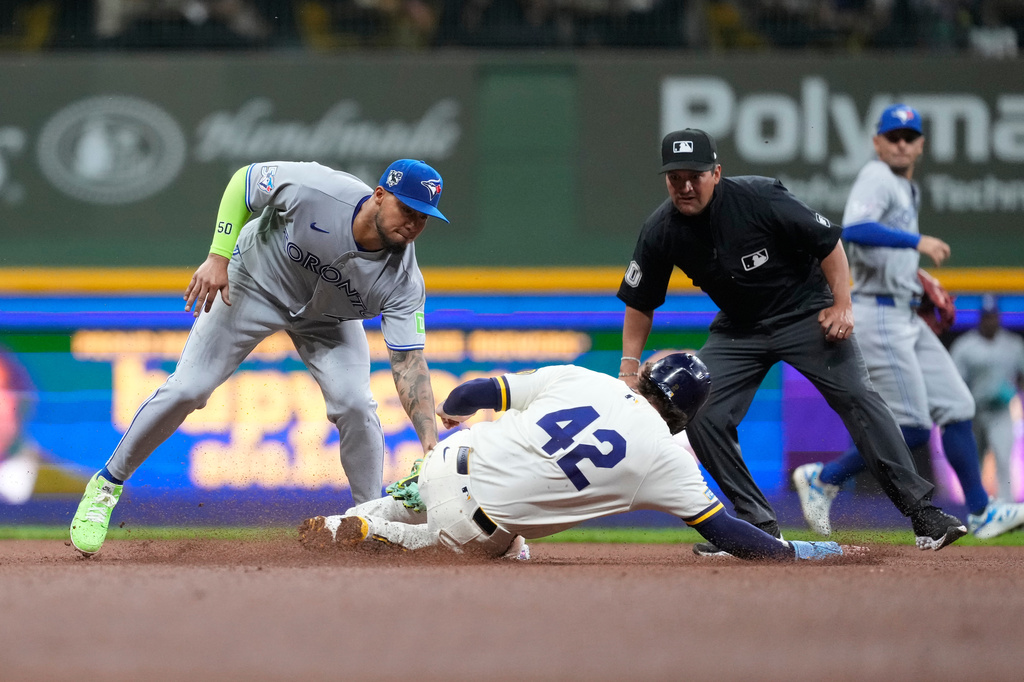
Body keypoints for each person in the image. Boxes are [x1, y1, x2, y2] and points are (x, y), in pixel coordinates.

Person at [70, 158, 448, 556]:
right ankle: (107, 485)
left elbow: (409, 363)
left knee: (356, 403)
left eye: (423, 217)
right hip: (253, 284)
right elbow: (244, 182)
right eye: (407, 209)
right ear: (379, 194)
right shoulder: (317, 189)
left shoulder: (405, 281)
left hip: (327, 319)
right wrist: (218, 255)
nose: (413, 224)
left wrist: (429, 446)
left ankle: (369, 521)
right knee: (189, 388)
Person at [617, 128, 967, 556]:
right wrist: (628, 367)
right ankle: (756, 526)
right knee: (700, 413)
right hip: (739, 327)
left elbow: (829, 243)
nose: (685, 186)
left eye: (695, 175)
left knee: (859, 397)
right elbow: (640, 301)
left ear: (717, 172)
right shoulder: (661, 228)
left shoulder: (759, 197)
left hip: (805, 312)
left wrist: (842, 304)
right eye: (675, 178)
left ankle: (924, 515)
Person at [299, 353, 845, 562]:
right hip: (476, 521)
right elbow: (727, 533)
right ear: (687, 415)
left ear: (647, 376)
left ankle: (351, 520)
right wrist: (792, 551)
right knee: (507, 552)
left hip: (452, 455)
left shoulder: (585, 378)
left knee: (423, 492)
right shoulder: (667, 457)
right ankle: (381, 538)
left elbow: (475, 393)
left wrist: (450, 412)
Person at [792, 105, 1024, 541]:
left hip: (903, 309)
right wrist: (918, 242)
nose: (901, 143)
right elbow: (856, 229)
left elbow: (883, 249)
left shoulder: (906, 188)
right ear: (877, 142)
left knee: (958, 406)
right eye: (892, 136)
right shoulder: (877, 177)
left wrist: (915, 275)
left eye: (909, 136)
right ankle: (826, 477)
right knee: (913, 425)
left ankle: (980, 512)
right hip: (877, 312)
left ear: (920, 145)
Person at [951, 295, 1024, 503]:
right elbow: (955, 381)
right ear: (980, 318)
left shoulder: (1013, 344)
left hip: (1001, 412)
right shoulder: (965, 345)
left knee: (1003, 459)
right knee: (973, 462)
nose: (990, 321)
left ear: (998, 317)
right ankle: (974, 507)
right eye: (986, 317)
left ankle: (1007, 508)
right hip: (975, 411)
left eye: (993, 316)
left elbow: (1021, 376)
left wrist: (1014, 389)